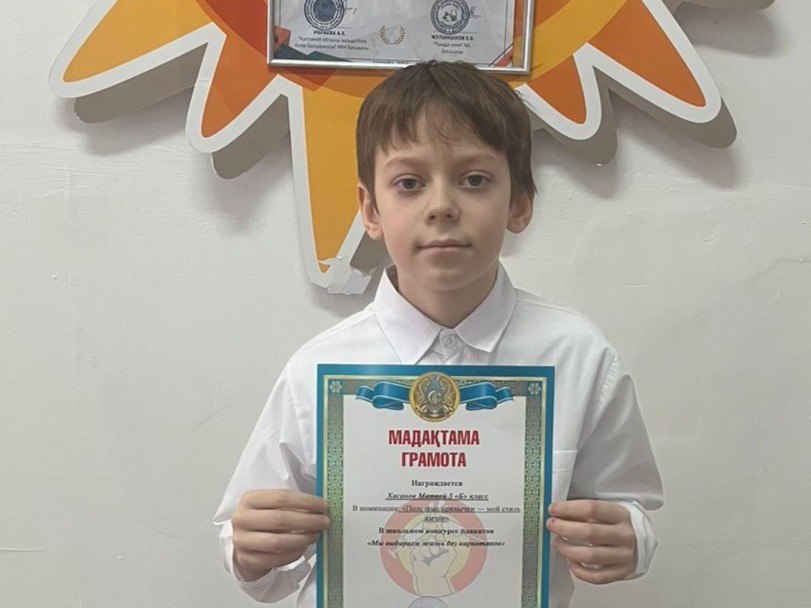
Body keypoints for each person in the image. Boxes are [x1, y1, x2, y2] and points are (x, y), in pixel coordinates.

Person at [213, 60, 663, 608]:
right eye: (409, 183)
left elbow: (629, 506)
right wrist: (250, 551)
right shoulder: (317, 371)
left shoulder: (579, 357)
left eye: (474, 180)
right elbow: (251, 550)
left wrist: (630, 541)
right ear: (371, 210)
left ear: (519, 203)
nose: (442, 206)